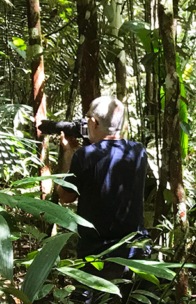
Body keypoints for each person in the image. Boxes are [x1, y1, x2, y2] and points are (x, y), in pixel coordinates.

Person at [57, 95, 149, 264]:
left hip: (95, 252)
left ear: (94, 122)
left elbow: (65, 196)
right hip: (134, 248)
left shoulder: (83, 155)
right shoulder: (139, 152)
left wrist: (69, 153)